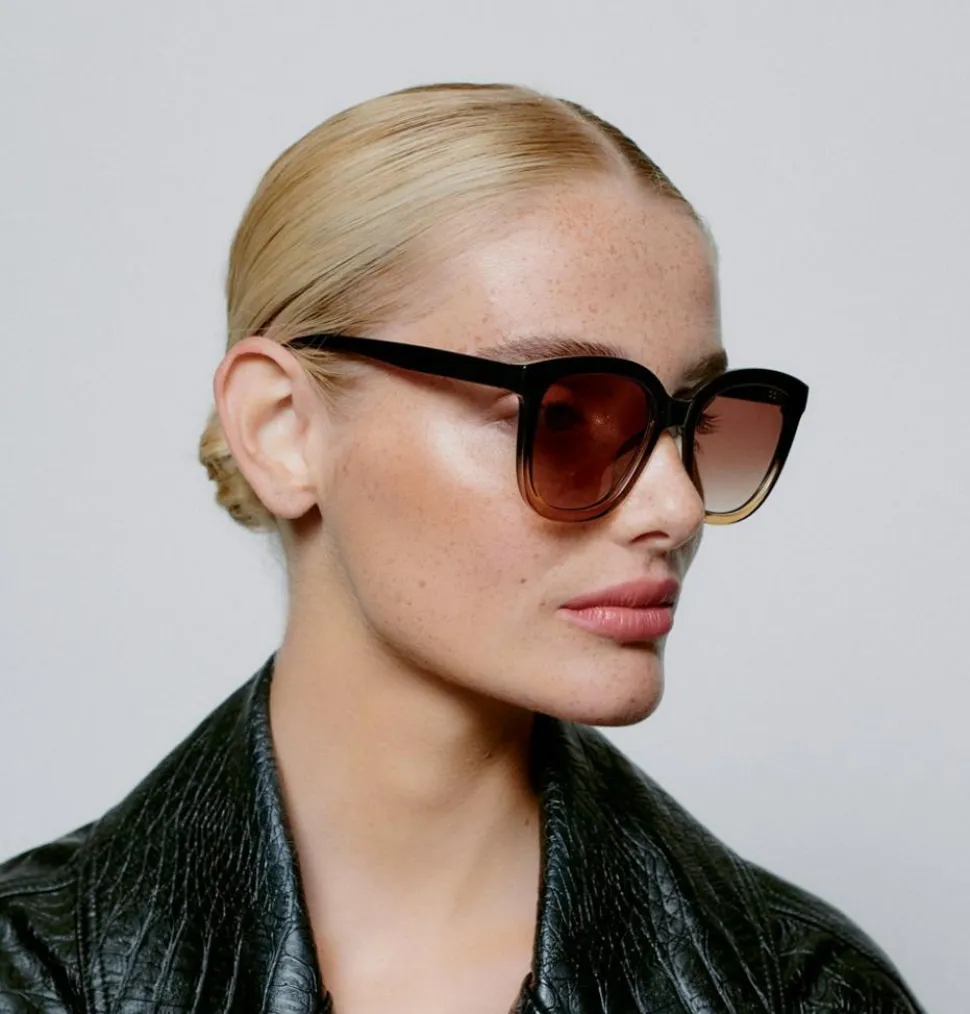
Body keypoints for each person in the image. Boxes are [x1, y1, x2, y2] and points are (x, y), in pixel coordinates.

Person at [0, 82, 925, 1014]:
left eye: (697, 422)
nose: (678, 507)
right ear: (283, 429)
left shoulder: (809, 991)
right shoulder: (30, 977)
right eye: (561, 416)